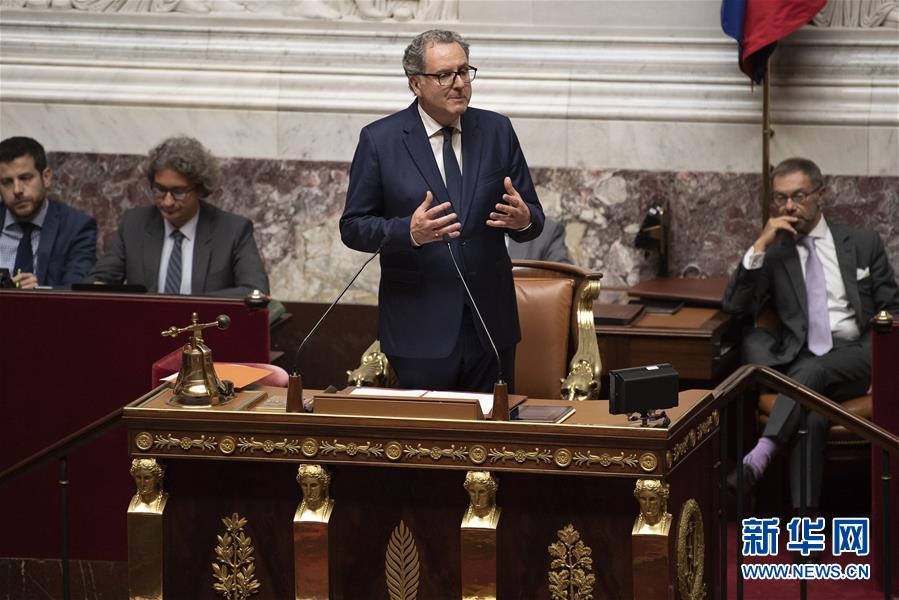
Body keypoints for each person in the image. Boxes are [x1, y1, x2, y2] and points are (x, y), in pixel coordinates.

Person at [340, 29, 544, 392]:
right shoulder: (380, 140)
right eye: (444, 75)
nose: (459, 84)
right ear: (415, 83)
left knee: (493, 426)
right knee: (429, 429)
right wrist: (408, 232)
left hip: (490, 325)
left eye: (464, 71)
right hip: (419, 327)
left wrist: (524, 219)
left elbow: (533, 217)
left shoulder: (497, 130)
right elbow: (353, 227)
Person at [723, 157, 899, 510]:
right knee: (812, 417)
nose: (789, 206)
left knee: (811, 372)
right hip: (804, 358)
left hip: (859, 353)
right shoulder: (776, 254)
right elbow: (735, 306)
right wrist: (760, 244)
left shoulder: (862, 243)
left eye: (799, 196)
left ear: (821, 194)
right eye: (781, 198)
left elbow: (893, 309)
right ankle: (806, 527)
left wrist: (883, 366)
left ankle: (761, 454)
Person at [87, 136, 269, 297]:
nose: (167, 202)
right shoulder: (134, 224)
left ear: (200, 189)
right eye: (160, 190)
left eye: (178, 192)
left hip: (204, 324)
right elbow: (99, 279)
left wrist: (187, 306)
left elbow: (256, 291)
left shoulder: (232, 230)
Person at [0, 136, 97, 289]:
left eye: (25, 178)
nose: (17, 190)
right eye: (7, 182)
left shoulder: (76, 228)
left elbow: (76, 290)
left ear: (46, 177)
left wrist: (41, 293)